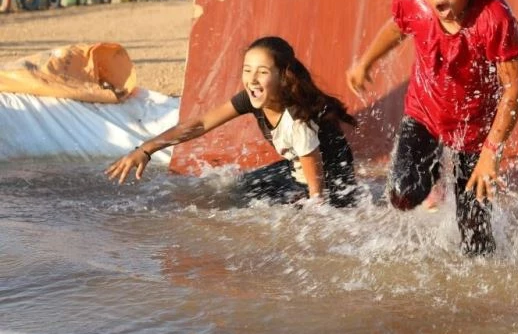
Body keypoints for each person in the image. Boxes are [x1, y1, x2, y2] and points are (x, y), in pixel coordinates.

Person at [346, 0, 518, 255]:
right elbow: (397, 28)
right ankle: (434, 175)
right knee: (402, 193)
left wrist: (491, 154)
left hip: (474, 134)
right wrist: (365, 62)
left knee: (477, 244)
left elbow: (516, 89)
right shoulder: (413, 3)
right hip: (424, 116)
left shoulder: (493, 20)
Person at [106, 36, 359, 208]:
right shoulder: (253, 97)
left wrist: (313, 213)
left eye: (262, 72)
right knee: (240, 189)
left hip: (331, 183)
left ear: (283, 77)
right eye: (247, 70)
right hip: (297, 168)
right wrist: (146, 149)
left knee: (286, 213)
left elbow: (318, 195)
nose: (252, 80)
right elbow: (201, 124)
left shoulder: (297, 120)